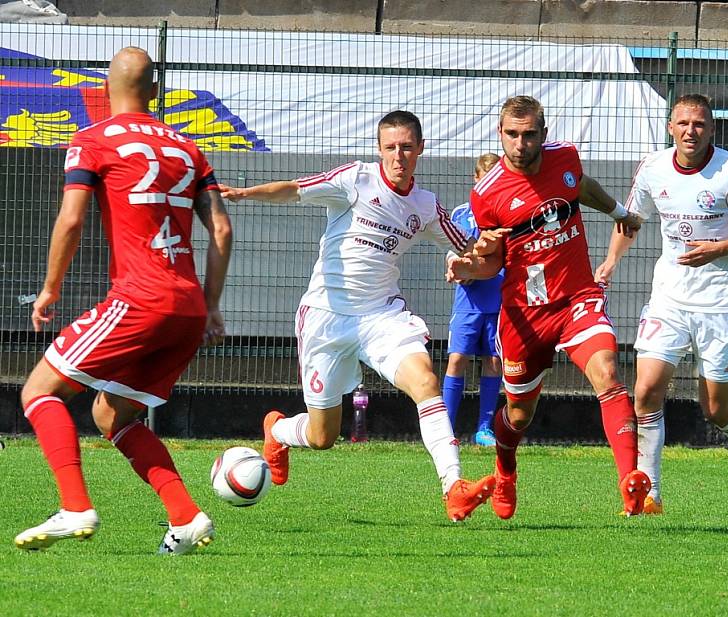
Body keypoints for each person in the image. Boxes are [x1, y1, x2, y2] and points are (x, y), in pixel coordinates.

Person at [220, 110, 496, 522]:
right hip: (325, 319)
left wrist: (474, 260)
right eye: (390, 148)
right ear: (379, 149)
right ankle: (276, 430)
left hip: (380, 317)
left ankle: (454, 488)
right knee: (322, 436)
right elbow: (296, 189)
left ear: (420, 148)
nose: (398, 156)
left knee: (426, 381)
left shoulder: (426, 206)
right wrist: (245, 194)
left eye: (406, 147)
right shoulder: (355, 179)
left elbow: (474, 252)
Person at [15, 47, 233, 555]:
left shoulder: (91, 140)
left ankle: (74, 506)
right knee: (113, 416)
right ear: (155, 93)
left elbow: (71, 220)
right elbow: (220, 228)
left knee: (38, 392)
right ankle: (186, 516)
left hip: (139, 299)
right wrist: (212, 303)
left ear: (106, 90)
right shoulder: (188, 147)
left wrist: (49, 288)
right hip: (187, 308)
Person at [448, 95, 651, 519]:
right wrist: (469, 264)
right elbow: (492, 260)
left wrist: (619, 211)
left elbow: (580, 185)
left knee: (608, 374)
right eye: (512, 134)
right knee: (519, 415)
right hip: (526, 314)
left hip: (577, 296)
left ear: (544, 133)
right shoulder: (488, 194)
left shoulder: (565, 158)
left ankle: (631, 483)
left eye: (529, 134)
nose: (520, 143)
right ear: (500, 134)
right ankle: (505, 471)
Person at [595, 93, 728, 515]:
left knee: (715, 408)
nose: (690, 131)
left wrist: (720, 248)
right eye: (682, 123)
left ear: (711, 129)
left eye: (699, 124)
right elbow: (632, 219)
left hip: (723, 301)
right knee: (645, 392)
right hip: (670, 297)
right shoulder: (653, 168)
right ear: (670, 128)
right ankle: (650, 495)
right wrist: (609, 262)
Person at [443, 153, 503, 446]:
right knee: (457, 359)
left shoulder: (508, 216)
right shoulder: (460, 214)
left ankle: (484, 429)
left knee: (494, 361)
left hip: (499, 299)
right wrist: (454, 266)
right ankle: (446, 429)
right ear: (475, 179)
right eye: (485, 180)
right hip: (467, 302)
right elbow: (452, 249)